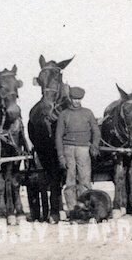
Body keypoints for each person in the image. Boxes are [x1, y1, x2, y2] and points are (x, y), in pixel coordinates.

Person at [55, 86, 100, 216]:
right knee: (70, 181)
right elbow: (58, 136)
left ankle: (85, 208)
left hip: (84, 149)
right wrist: (61, 156)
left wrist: (95, 145)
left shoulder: (87, 113)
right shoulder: (64, 114)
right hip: (68, 149)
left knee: (85, 180)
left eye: (79, 99)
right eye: (74, 99)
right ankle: (72, 210)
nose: (76, 102)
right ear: (70, 98)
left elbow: (96, 131)